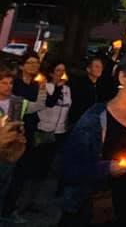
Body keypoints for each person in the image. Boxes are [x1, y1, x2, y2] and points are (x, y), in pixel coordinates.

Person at [59, 53, 126, 227]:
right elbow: (68, 168)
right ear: (122, 76)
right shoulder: (95, 117)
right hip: (91, 205)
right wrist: (105, 168)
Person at [3, 51, 47, 222]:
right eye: (30, 63)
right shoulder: (15, 84)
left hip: (28, 131)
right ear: (22, 65)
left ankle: (10, 208)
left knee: (21, 172)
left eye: (36, 63)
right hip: (12, 130)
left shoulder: (36, 84)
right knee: (8, 171)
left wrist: (43, 90)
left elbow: (38, 106)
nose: (34, 66)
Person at [35, 59, 72, 199]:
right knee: (38, 163)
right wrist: (57, 87)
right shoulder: (47, 86)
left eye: (63, 71)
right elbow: (50, 103)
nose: (61, 74)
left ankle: (37, 196)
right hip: (44, 129)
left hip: (60, 131)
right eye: (58, 71)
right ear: (51, 73)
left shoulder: (67, 89)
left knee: (48, 164)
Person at [0, 63, 30, 225]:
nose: (7, 86)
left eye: (10, 83)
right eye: (3, 83)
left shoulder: (17, 103)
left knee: (5, 186)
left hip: (10, 153)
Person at [69, 57, 113, 127]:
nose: (99, 69)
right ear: (88, 69)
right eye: (96, 67)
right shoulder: (80, 84)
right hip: (80, 122)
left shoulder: (100, 85)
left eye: (101, 67)